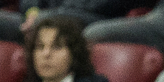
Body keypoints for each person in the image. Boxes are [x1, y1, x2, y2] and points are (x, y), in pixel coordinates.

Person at [0, 1, 137, 43]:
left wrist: (51, 14)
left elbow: (103, 5)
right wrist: (32, 12)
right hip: (41, 16)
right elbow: (30, 2)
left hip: (94, 18)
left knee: (45, 21)